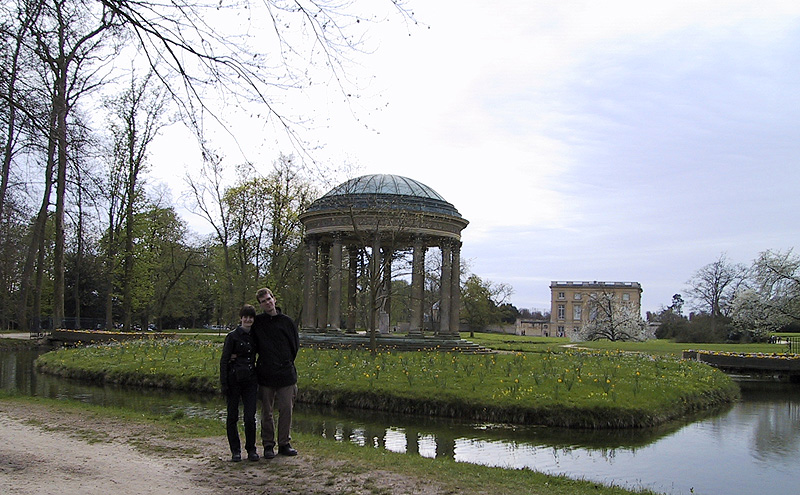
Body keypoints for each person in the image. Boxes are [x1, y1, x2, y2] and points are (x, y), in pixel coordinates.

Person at [252, 287, 299, 458]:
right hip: (265, 373)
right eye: (263, 301)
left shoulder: (287, 322)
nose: (267, 303)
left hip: (285, 373)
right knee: (267, 411)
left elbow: (294, 346)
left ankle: (284, 443)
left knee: (286, 409)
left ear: (274, 299)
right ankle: (268, 444)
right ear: (261, 305)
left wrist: (285, 361)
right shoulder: (258, 323)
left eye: (269, 299)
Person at [220, 304, 260, 462]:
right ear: (241, 318)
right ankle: (235, 450)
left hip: (250, 379)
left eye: (251, 317)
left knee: (250, 417)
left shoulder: (255, 336)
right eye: (245, 317)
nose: (248, 320)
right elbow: (224, 360)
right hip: (234, 379)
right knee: (232, 417)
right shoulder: (232, 336)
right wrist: (224, 383)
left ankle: (251, 449)